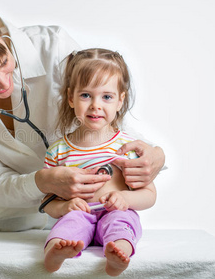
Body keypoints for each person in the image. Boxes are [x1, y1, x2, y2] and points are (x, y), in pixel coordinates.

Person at [0, 4, 164, 232]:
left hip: (83, 214)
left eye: (4, 62)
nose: (4, 83)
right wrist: (40, 182)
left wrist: (155, 154)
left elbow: (104, 112)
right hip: (4, 221)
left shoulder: (53, 47)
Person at [42, 48, 156, 276]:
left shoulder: (128, 147)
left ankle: (118, 252)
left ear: (120, 100)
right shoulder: (58, 151)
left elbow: (150, 194)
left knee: (122, 221)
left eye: (106, 97)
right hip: (80, 214)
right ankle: (55, 252)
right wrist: (64, 206)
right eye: (86, 95)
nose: (95, 105)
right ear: (71, 98)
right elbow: (47, 203)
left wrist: (125, 198)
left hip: (115, 212)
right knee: (70, 222)